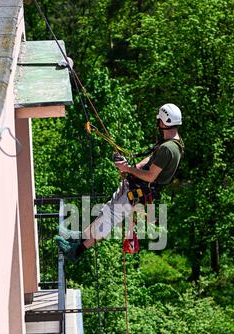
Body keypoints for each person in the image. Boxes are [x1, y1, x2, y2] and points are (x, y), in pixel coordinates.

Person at [56, 103, 184, 260]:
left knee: (109, 220)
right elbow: (150, 160)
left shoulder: (167, 149)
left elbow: (151, 176)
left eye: (159, 121)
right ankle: (79, 237)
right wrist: (129, 167)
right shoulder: (173, 142)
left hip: (140, 192)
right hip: (136, 185)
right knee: (107, 212)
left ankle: (76, 251)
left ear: (163, 123)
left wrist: (129, 169)